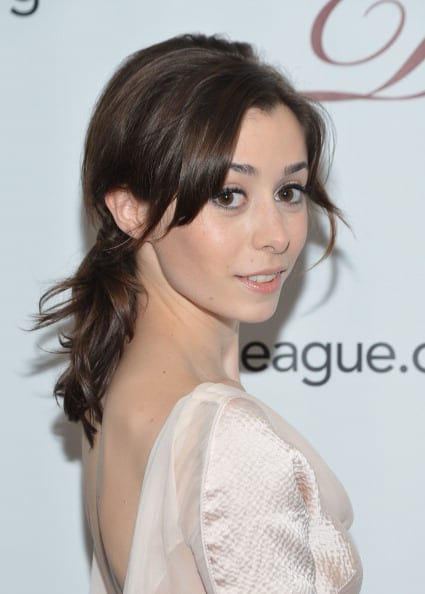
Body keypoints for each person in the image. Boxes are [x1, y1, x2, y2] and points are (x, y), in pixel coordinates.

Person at [36, 34, 362, 593]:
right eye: (228, 195)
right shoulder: (225, 436)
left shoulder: (113, 395)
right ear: (131, 210)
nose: (277, 235)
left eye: (289, 191)